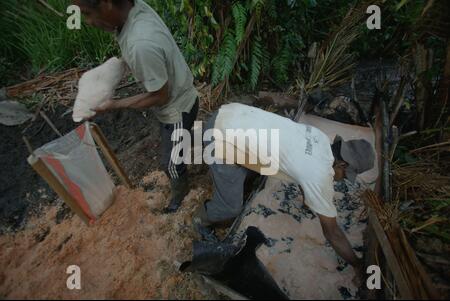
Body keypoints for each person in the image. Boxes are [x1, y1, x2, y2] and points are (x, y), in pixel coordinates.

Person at [195, 103, 376, 282]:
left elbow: (301, 170)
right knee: (231, 207)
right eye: (345, 175)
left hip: (233, 112)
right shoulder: (318, 174)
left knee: (253, 166)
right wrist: (357, 265)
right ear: (342, 165)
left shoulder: (320, 139)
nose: (342, 179)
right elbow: (333, 233)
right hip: (219, 136)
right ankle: (200, 221)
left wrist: (309, 201)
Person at [73, 0, 199, 213]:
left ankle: (181, 196)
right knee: (178, 142)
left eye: (87, 13)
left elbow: (160, 95)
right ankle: (190, 142)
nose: (88, 22)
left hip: (177, 110)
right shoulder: (133, 7)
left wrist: (114, 105)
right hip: (182, 90)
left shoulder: (140, 43)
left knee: (170, 164)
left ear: (106, 4)